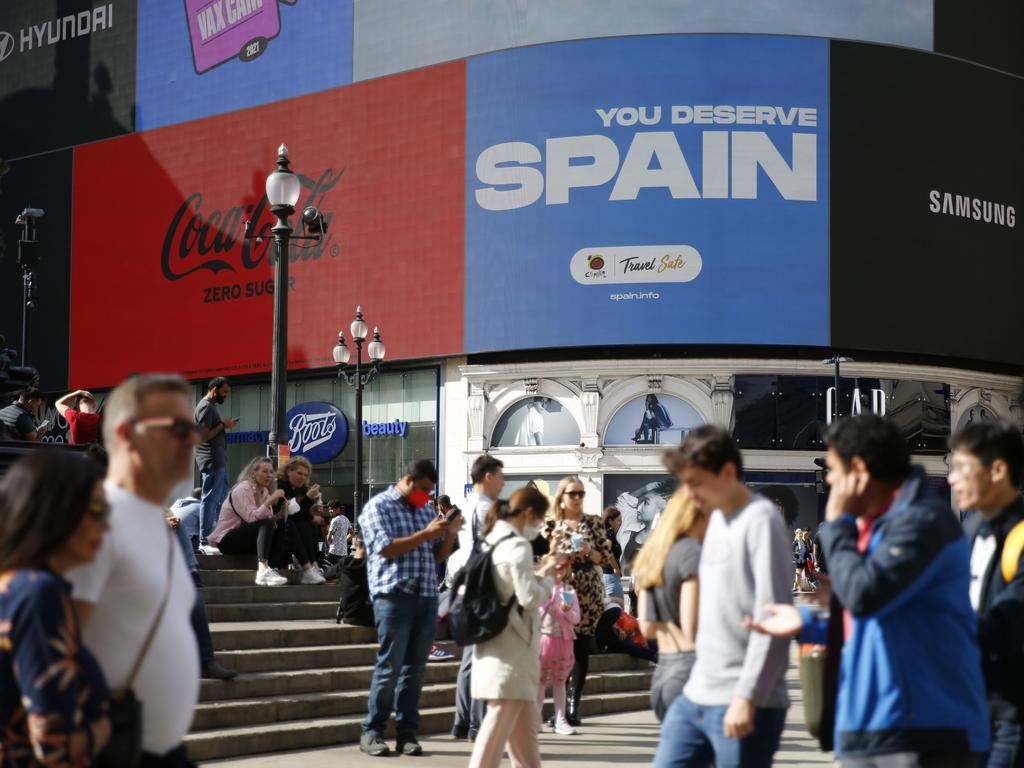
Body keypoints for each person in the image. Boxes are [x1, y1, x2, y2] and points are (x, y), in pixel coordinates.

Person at [747, 414, 991, 767]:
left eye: (832, 470)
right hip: (870, 727)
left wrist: (837, 523)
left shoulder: (923, 523)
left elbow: (865, 596)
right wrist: (806, 622)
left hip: (924, 731)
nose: (829, 480)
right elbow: (877, 616)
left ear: (858, 470)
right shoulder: (876, 527)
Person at [67, 373, 203, 766]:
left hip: (163, 749)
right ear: (127, 433)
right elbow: (53, 646)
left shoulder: (154, 520)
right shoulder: (94, 523)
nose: (192, 439)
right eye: (177, 428)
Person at [652, 425, 791, 768]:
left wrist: (747, 697)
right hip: (696, 694)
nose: (688, 493)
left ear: (728, 472)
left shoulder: (761, 519)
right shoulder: (715, 521)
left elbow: (773, 616)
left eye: (695, 482)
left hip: (745, 701)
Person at [0, 451, 112, 764]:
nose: (106, 528)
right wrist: (103, 730)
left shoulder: (14, 586)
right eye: (96, 511)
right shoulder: (38, 595)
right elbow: (55, 746)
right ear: (55, 512)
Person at [358, 459, 462, 757]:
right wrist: (426, 534)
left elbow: (438, 555)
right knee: (390, 664)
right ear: (406, 479)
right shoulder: (379, 506)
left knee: (415, 669)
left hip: (426, 595)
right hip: (393, 595)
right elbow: (384, 547)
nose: (426, 496)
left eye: (430, 491)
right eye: (423, 489)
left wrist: (450, 533)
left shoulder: (423, 508)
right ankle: (372, 731)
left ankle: (407, 733)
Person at [468, 487, 566, 768]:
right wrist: (550, 582)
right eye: (538, 519)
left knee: (524, 741)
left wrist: (543, 573)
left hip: (499, 643)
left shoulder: (493, 539)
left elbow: (511, 587)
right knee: (497, 726)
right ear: (527, 514)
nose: (539, 526)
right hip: (514, 647)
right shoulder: (518, 545)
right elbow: (529, 596)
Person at [948, 421, 1024, 768]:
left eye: (962, 469)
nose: (952, 479)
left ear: (998, 470)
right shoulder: (972, 528)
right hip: (970, 707)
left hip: (1011, 716)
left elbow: (1008, 621)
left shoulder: (1020, 536)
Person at [543, 476, 614, 727]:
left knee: (581, 647)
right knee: (558, 647)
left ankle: (573, 704)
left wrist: (587, 550)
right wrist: (557, 544)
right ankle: (559, 709)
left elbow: (604, 559)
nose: (577, 498)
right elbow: (545, 558)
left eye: (581, 493)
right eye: (572, 493)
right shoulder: (552, 524)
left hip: (587, 589)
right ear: (561, 496)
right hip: (562, 586)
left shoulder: (593, 522)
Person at [634, 486, 707, 721]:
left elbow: (646, 627)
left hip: (664, 674)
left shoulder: (651, 561)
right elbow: (691, 624)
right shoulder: (691, 557)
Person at [452, 455, 506, 741]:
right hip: (485, 588)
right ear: (487, 476)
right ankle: (476, 722)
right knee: (482, 657)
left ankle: (464, 722)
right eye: (500, 476)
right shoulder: (486, 508)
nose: (503, 481)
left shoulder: (467, 503)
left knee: (471, 658)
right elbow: (495, 550)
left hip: (471, 584)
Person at [207, 458, 294, 586]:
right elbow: (251, 519)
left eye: (271, 472)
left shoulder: (264, 492)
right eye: (264, 471)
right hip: (227, 540)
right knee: (268, 524)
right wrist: (270, 501)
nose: (269, 475)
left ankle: (276, 568)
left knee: (284, 526)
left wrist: (280, 514)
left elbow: (267, 522)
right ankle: (263, 569)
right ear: (253, 473)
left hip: (247, 539)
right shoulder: (243, 489)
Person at [194, 377, 237, 554]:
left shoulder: (209, 407)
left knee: (221, 500)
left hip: (217, 460)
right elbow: (203, 436)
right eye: (224, 392)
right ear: (214, 389)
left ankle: (216, 538)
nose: (225, 396)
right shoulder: (205, 407)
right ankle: (205, 541)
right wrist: (223, 425)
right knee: (210, 499)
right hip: (212, 460)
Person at [537, 565, 580, 735]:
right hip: (544, 640)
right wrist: (547, 604)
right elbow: (534, 613)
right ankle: (535, 719)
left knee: (560, 681)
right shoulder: (541, 590)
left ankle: (561, 719)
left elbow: (576, 618)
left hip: (563, 640)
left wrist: (567, 611)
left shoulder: (568, 591)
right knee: (539, 682)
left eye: (562, 569)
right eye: (556, 568)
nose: (559, 573)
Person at [275, 456, 328, 582]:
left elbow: (302, 515)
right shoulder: (280, 485)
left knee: (308, 524)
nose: (302, 477)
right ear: (288, 471)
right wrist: (308, 498)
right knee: (300, 524)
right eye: (299, 473)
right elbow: (291, 513)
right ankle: (308, 567)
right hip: (278, 530)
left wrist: (314, 512)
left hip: (294, 529)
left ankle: (313, 564)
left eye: (305, 475)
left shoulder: (302, 489)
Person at [335, 534, 374, 627]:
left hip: (347, 617)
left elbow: (326, 574)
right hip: (370, 617)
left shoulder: (343, 563)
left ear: (355, 544)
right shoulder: (373, 566)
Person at [601, 505, 625, 606]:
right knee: (618, 608)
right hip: (611, 576)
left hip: (609, 577)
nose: (620, 523)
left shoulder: (608, 534)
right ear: (610, 521)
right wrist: (616, 568)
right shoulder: (609, 534)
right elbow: (607, 551)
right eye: (618, 520)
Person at [170, 487, 202, 553]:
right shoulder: (199, 507)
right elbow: (207, 528)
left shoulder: (175, 505)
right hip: (187, 541)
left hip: (170, 540)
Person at [325, 500, 351, 566]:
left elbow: (328, 537)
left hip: (334, 551)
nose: (330, 511)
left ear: (338, 509)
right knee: (340, 571)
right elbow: (352, 533)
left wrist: (330, 543)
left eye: (331, 509)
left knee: (329, 570)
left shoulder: (334, 520)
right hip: (344, 552)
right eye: (329, 509)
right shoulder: (346, 519)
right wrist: (343, 541)